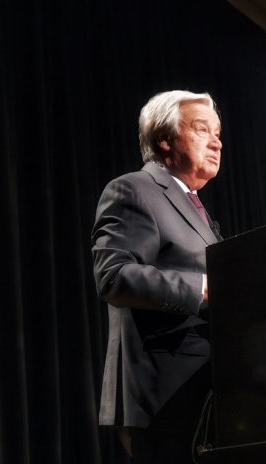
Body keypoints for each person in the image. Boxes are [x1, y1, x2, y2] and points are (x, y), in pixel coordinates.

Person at [91, 90, 223, 463]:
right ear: (164, 138)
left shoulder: (197, 209)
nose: (217, 141)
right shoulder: (134, 189)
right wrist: (204, 288)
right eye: (202, 129)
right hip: (162, 394)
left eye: (218, 132)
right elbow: (114, 276)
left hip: (208, 391)